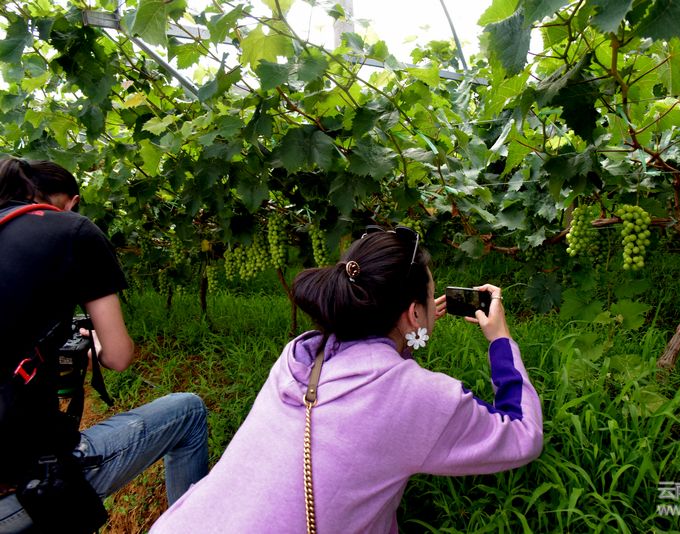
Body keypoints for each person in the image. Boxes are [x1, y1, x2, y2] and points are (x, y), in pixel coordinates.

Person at [151, 225, 544, 533]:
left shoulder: (298, 356)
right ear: (413, 313)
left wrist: (411, 327)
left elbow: (371, 371)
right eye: (429, 295)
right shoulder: (419, 397)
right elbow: (523, 434)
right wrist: (500, 339)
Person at [0, 157, 209, 533]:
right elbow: (119, 356)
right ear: (70, 201)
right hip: (25, 485)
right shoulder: (72, 230)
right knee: (188, 411)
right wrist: (95, 345)